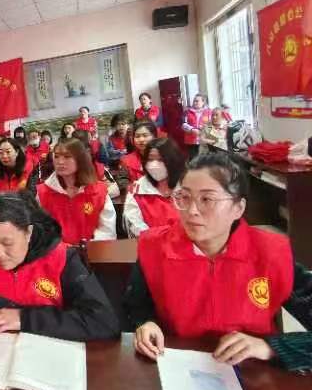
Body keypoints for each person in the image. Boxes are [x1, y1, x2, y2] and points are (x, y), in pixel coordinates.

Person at [124, 153, 312, 371]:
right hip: (176, 366)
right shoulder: (154, 247)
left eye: (207, 199)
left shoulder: (271, 254)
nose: (192, 211)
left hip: (254, 373)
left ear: (238, 208)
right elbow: (137, 306)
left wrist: (270, 347)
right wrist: (145, 323)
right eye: (184, 197)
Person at [0, 192, 119, 357]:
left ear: (28, 232)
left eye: (7, 243)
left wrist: (25, 318)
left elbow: (103, 321)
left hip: (48, 356)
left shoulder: (62, 258)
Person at [36, 138, 116, 244]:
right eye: (56, 156)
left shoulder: (99, 191)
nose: (60, 162)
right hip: (57, 251)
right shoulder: (42, 192)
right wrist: (62, 248)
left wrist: (86, 247)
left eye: (67, 156)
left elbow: (107, 230)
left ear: (80, 159)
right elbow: (40, 231)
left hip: (92, 250)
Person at [123, 138, 184, 237]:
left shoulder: (188, 187)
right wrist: (161, 237)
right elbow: (135, 226)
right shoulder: (136, 190)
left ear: (173, 161)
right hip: (151, 243)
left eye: (161, 159)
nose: (154, 165)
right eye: (150, 159)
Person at [182, 93, 213, 160]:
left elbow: (212, 124)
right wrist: (192, 129)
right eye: (194, 101)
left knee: (205, 160)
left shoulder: (209, 112)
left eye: (197, 101)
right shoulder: (187, 112)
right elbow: (183, 124)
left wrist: (205, 129)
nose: (195, 102)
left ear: (203, 102)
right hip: (191, 141)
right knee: (193, 160)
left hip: (204, 141)